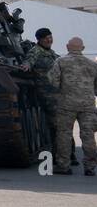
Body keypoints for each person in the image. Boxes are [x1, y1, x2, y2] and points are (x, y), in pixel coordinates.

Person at [54, 37, 97, 176]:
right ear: (83, 48)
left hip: (66, 104)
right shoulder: (92, 65)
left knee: (64, 135)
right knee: (88, 135)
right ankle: (90, 167)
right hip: (88, 105)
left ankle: (63, 166)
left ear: (67, 47)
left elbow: (53, 81)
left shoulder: (60, 62)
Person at [23, 28, 63, 157]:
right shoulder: (36, 51)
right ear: (39, 39)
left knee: (61, 124)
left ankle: (67, 154)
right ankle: (61, 155)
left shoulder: (52, 53)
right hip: (47, 94)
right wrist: (26, 65)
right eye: (46, 38)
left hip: (57, 93)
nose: (49, 40)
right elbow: (29, 60)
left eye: (50, 37)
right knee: (57, 125)